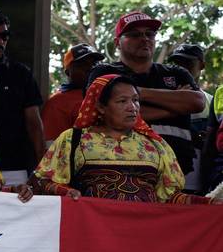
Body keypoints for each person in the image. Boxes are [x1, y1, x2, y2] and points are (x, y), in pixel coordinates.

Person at [29, 74, 218, 204]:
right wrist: (65, 192)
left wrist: (206, 202)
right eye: (122, 101)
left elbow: (169, 198)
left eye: (135, 100)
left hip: (143, 236)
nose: (132, 107)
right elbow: (40, 183)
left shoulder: (154, 144)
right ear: (101, 107)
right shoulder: (75, 140)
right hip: (92, 235)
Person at [87, 11, 205, 180]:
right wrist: (175, 105)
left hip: (176, 171)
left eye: (149, 34)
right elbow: (110, 116)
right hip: (119, 170)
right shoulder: (104, 72)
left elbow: (197, 102)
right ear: (117, 43)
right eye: (134, 35)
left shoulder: (176, 72)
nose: (144, 39)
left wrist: (136, 93)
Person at [0, 9, 45, 184]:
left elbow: (34, 124)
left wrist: (43, 168)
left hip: (13, 166)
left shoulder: (21, 74)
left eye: (4, 36)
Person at [166, 43, 211, 192]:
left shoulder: (211, 100)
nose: (182, 68)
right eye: (178, 63)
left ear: (202, 65)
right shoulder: (161, 95)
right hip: (167, 177)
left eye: (188, 63)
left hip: (200, 177)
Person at [40, 43, 105, 145]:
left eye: (94, 64)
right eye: (82, 64)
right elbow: (52, 147)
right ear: (68, 72)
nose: (90, 68)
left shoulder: (108, 94)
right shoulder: (58, 102)